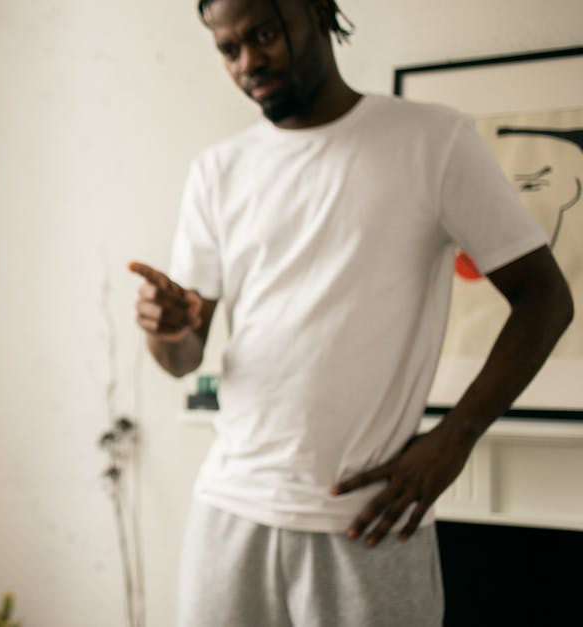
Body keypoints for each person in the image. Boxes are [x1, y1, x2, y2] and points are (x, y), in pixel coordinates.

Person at [129, 0, 574, 625]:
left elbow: (546, 299)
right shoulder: (218, 170)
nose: (249, 61)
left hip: (367, 516)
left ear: (316, 11)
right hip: (228, 508)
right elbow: (182, 360)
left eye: (264, 33)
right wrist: (169, 327)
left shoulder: (433, 139)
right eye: (229, 49)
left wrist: (454, 440)